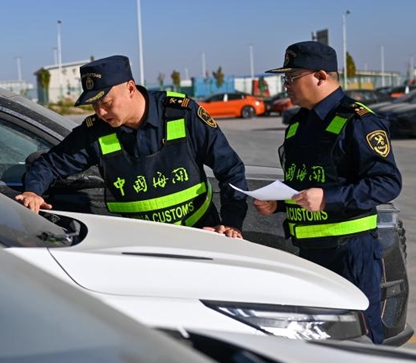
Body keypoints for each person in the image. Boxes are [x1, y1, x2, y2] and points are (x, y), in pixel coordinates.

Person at [254, 41, 402, 344]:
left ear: (321, 76)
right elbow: (305, 181)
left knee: (361, 338)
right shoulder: (297, 125)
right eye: (285, 79)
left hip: (350, 253)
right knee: (320, 340)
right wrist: (279, 203)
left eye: (292, 78)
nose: (286, 86)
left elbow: (388, 182)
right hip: (309, 253)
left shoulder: (358, 121)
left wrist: (328, 198)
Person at [15, 55, 247, 238]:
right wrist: (33, 191)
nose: (100, 112)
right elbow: (49, 164)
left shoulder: (181, 113)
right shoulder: (95, 131)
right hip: (138, 245)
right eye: (94, 105)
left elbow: (230, 169)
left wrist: (231, 223)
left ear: (130, 88)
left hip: (198, 235)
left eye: (106, 103)